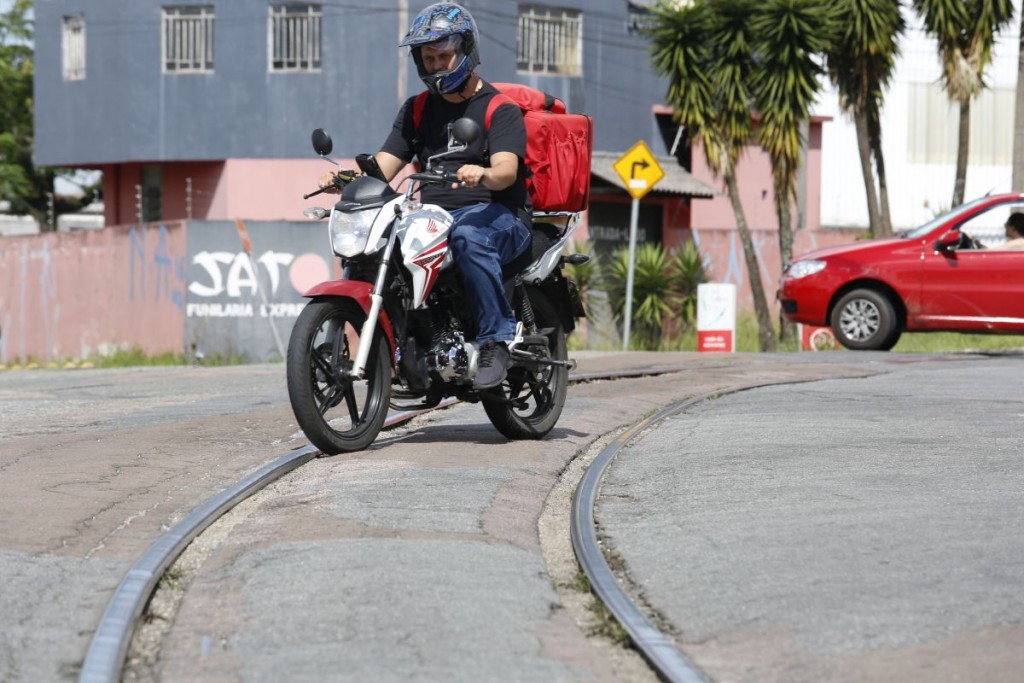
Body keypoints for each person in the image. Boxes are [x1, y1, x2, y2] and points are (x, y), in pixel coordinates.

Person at [320, 2, 530, 389]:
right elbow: (385, 166)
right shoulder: (417, 109)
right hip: (432, 215)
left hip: (497, 213)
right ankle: (412, 343)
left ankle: (494, 341)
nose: (436, 65)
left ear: (467, 51)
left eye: (444, 56)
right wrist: (348, 179)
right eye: (428, 57)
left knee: (468, 236)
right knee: (384, 246)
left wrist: (482, 171)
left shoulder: (500, 109)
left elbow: (506, 172)